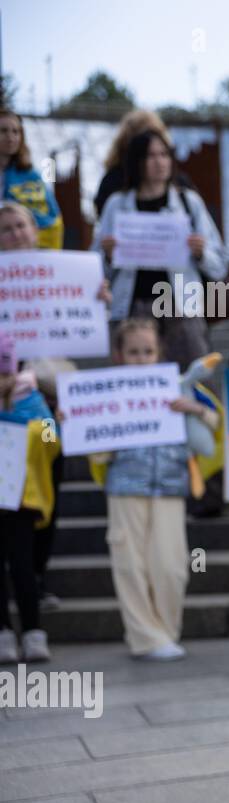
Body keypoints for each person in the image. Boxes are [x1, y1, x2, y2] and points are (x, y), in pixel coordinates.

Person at [0, 201, 111, 612]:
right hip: (7, 414)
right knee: (8, 501)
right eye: (6, 229)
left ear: (35, 230)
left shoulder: (64, 273)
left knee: (47, 489)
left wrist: (97, 300)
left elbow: (87, 325)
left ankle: (37, 580)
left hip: (49, 410)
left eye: (21, 226)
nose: (15, 234)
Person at [94, 319, 219, 660]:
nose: (141, 358)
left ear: (159, 353)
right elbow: (96, 449)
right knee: (130, 563)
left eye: (148, 351)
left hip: (169, 484)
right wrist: (78, 422)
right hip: (125, 487)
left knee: (171, 565)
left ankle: (166, 631)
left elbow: (214, 425)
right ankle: (145, 638)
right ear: (120, 355)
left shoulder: (178, 386)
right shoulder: (106, 392)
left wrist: (193, 408)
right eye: (133, 352)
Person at [93, 129, 228, 370]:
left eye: (164, 154)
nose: (159, 162)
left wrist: (200, 252)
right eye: (150, 156)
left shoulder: (188, 202)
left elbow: (219, 266)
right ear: (137, 162)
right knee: (137, 385)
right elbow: (96, 273)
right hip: (132, 309)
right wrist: (109, 256)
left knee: (193, 380)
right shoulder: (117, 204)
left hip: (181, 309)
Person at [0, 330, 54, 664]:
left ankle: (34, 632)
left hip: (21, 499)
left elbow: (52, 438)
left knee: (22, 567)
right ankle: (3, 633)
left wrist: (36, 427)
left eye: (6, 372)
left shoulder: (32, 399)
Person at [94, 110, 194, 216]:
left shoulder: (183, 190)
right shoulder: (114, 186)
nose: (158, 161)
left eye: (162, 153)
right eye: (149, 154)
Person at [0, 111, 62, 249]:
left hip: (27, 258)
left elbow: (52, 218)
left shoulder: (33, 176)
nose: (10, 137)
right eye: (3, 131)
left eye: (16, 132)